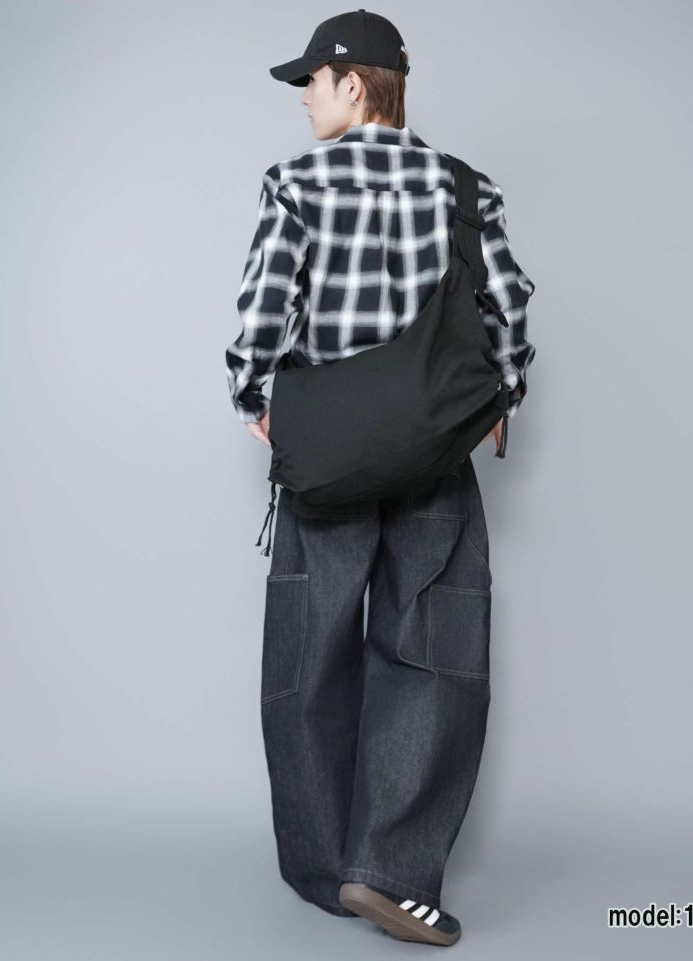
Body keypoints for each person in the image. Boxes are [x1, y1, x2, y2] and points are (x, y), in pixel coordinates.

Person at [224, 10, 536, 947]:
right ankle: (389, 871)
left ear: (354, 84)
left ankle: (326, 870)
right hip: (433, 453)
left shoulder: (296, 183)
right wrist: (500, 396)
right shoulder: (463, 187)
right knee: (434, 656)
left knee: (309, 660)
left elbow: (261, 311)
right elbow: (508, 308)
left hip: (325, 458)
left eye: (312, 83)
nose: (305, 101)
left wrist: (254, 398)